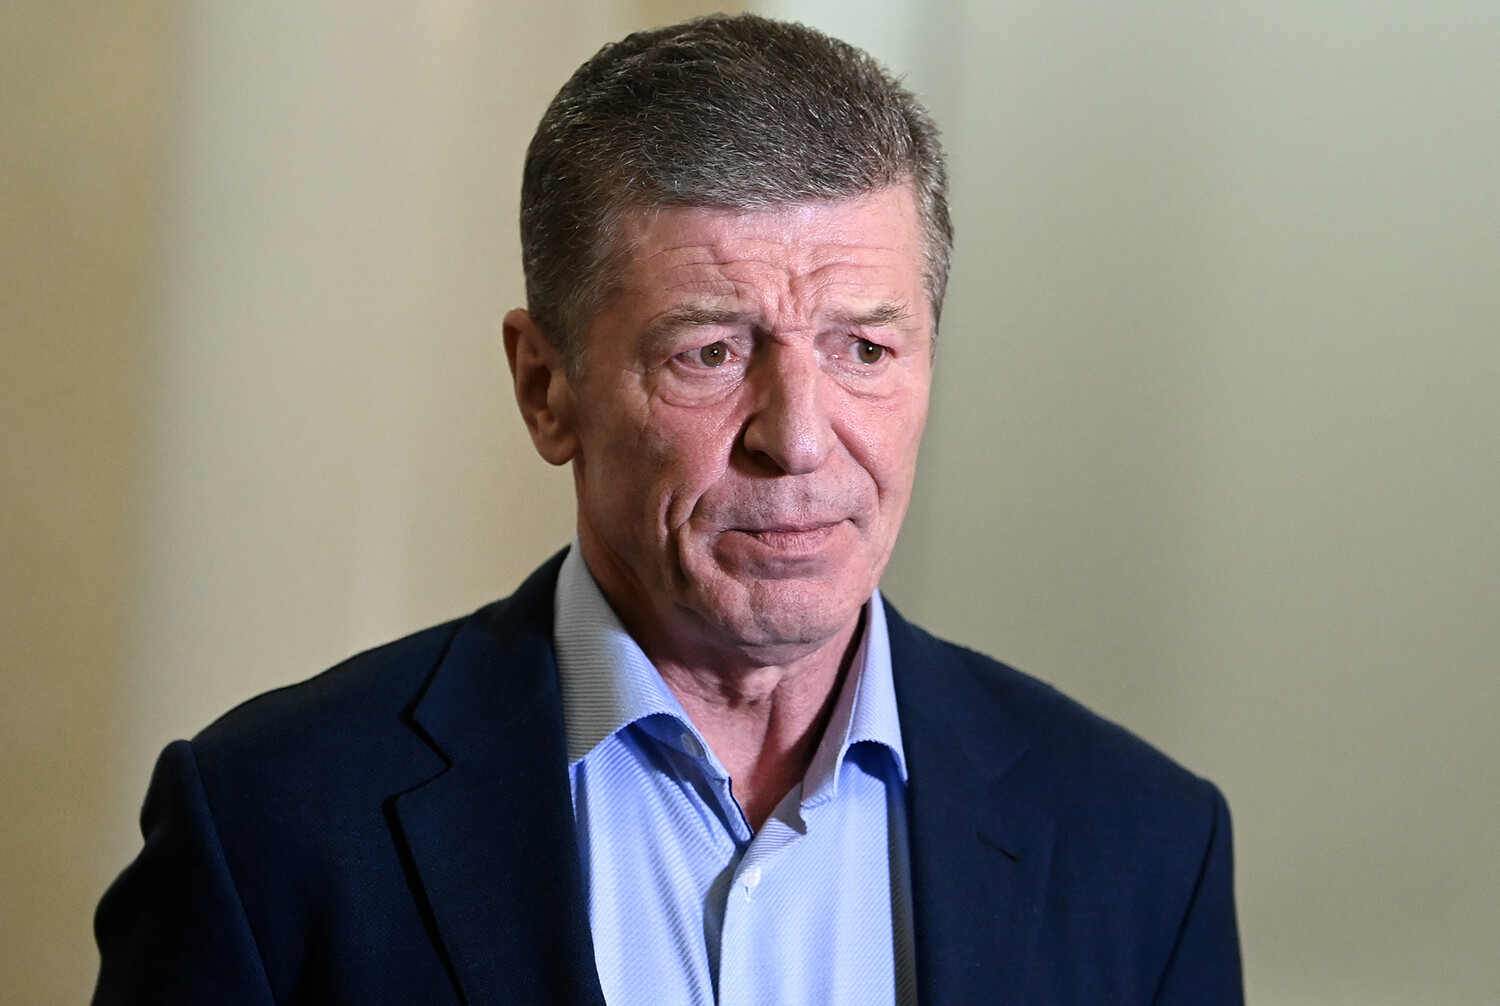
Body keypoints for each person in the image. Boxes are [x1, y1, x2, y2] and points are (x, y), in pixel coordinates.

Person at [93, 14, 1242, 1005]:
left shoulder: (1144, 845)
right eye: (710, 351)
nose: (798, 437)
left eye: (864, 348)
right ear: (547, 389)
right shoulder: (270, 825)